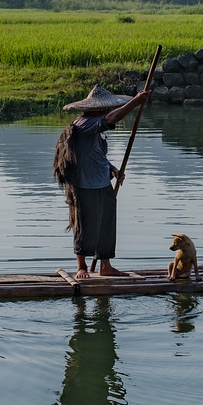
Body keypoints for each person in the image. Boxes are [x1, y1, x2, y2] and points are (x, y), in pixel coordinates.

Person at [53, 85, 151, 279]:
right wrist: (135, 102)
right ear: (98, 109)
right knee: (84, 224)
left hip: (102, 184)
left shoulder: (95, 130)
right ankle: (81, 266)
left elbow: (96, 156)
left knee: (106, 223)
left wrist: (113, 169)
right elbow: (111, 119)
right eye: (107, 108)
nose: (109, 110)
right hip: (85, 186)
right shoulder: (84, 124)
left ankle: (105, 265)